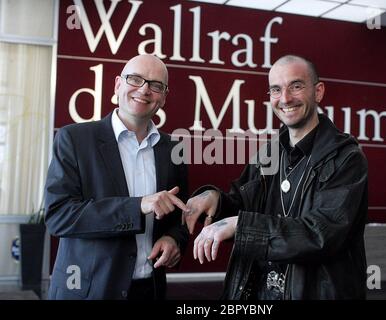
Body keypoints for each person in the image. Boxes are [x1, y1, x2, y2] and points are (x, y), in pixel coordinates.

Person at [183, 55, 369, 300]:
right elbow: (242, 203)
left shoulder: (347, 159)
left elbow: (321, 235)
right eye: (276, 89)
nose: (285, 98)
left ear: (318, 91)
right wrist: (215, 200)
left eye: (296, 86)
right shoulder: (268, 153)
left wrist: (241, 226)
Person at [44, 54, 189, 300]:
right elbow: (59, 216)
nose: (144, 90)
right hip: (88, 291)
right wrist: (138, 206)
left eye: (155, 85)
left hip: (149, 290)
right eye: (135, 79)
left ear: (163, 97)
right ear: (117, 85)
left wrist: (174, 238)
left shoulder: (173, 148)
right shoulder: (74, 139)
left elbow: (181, 214)